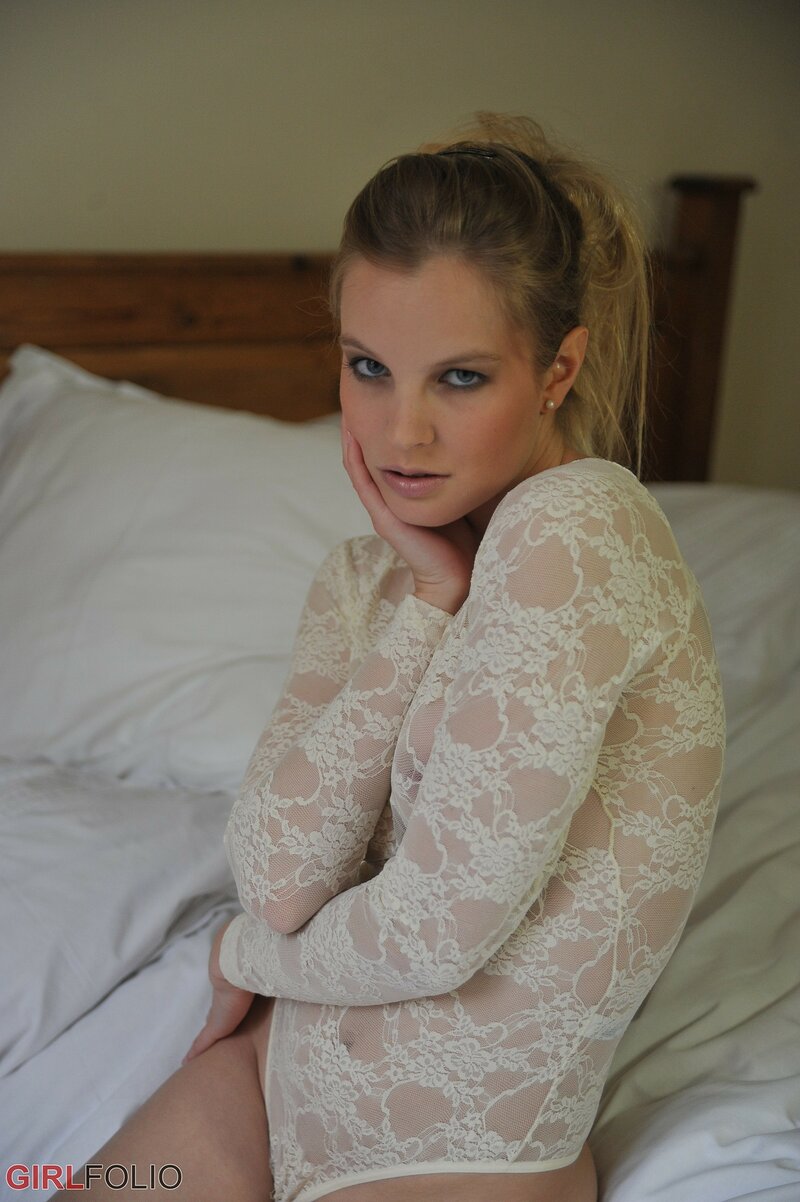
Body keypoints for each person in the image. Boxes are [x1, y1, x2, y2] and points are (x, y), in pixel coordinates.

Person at [55, 112, 725, 1202]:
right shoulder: (364, 578)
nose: (400, 431)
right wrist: (427, 603)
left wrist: (236, 957)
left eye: (458, 378)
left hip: (450, 1163)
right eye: (369, 366)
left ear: (557, 368)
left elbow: (436, 928)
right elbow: (275, 878)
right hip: (265, 1089)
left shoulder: (581, 525)